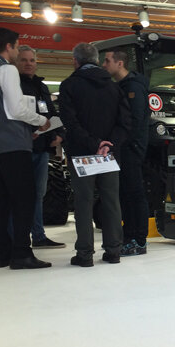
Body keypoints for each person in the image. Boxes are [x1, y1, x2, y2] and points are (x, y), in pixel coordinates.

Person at [0, 27, 52, 269]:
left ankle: (3, 253)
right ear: (9, 46)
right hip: (13, 142)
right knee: (24, 198)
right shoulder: (6, 69)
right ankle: (21, 253)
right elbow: (16, 108)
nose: (18, 51)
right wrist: (41, 120)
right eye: (17, 47)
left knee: (1, 200)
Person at [58, 43, 130, 266]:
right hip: (108, 155)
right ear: (97, 61)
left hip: (81, 153)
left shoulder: (69, 86)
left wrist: (94, 143)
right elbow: (125, 122)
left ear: (75, 61)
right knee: (111, 201)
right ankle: (113, 250)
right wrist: (108, 145)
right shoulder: (114, 87)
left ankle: (85, 254)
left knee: (83, 202)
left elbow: (70, 122)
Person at [17, 46, 66, 249]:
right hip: (21, 147)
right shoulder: (14, 86)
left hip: (42, 148)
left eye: (32, 60)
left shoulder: (42, 87)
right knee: (21, 194)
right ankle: (18, 239)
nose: (29, 64)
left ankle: (38, 236)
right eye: (24, 60)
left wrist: (59, 134)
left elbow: (51, 113)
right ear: (16, 62)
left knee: (38, 193)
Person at [103, 49, 151, 256]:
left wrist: (129, 145)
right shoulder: (121, 86)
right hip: (123, 148)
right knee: (125, 194)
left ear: (120, 63)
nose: (104, 64)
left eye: (107, 61)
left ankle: (138, 240)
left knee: (134, 193)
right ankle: (129, 236)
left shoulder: (133, 87)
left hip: (131, 149)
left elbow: (136, 122)